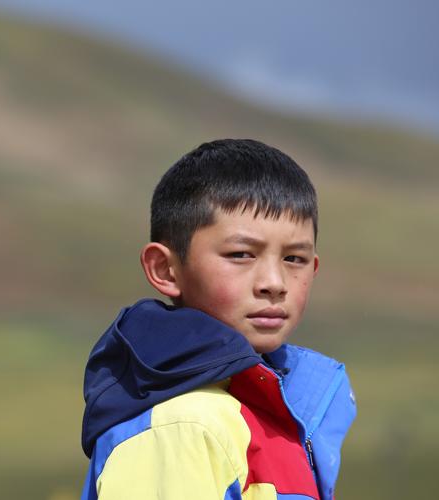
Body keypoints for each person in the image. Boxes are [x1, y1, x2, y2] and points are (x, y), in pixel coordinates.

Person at [79, 139, 356, 500]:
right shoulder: (182, 427)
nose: (274, 283)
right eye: (241, 254)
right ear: (165, 269)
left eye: (294, 259)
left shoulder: (278, 410)